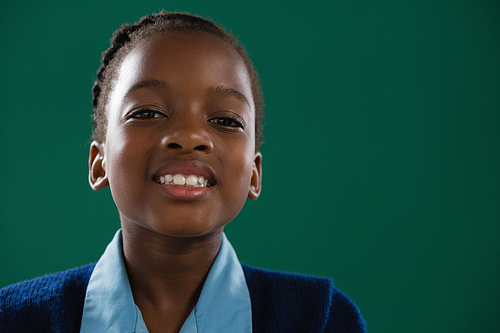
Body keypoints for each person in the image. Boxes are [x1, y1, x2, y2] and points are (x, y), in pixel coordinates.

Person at [0, 11, 366, 333]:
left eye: (225, 120)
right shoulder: (14, 319)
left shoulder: (321, 319)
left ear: (254, 174)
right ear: (99, 163)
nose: (190, 137)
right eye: (147, 113)